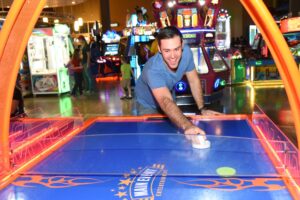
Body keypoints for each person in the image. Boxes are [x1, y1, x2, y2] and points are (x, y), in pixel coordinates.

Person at [135, 26, 219, 136]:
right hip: (147, 104)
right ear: (159, 49)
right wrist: (188, 126)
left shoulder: (187, 53)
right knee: (152, 139)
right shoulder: (152, 69)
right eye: (167, 51)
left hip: (168, 94)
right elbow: (165, 101)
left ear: (182, 45)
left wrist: (202, 108)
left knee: (172, 135)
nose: (173, 56)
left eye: (176, 49)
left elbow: (193, 80)